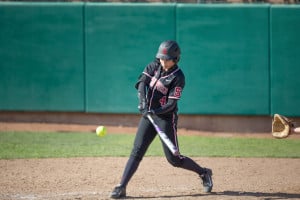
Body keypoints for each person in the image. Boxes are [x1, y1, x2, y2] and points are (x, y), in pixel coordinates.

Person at [110, 40, 213, 199]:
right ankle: (121, 186)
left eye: (167, 59)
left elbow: (172, 104)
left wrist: (155, 111)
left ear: (176, 59)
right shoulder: (153, 66)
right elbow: (142, 84)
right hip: (148, 115)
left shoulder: (178, 77)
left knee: (174, 159)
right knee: (136, 151)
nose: (163, 61)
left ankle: (204, 173)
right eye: (161, 58)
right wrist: (143, 103)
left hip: (165, 118)